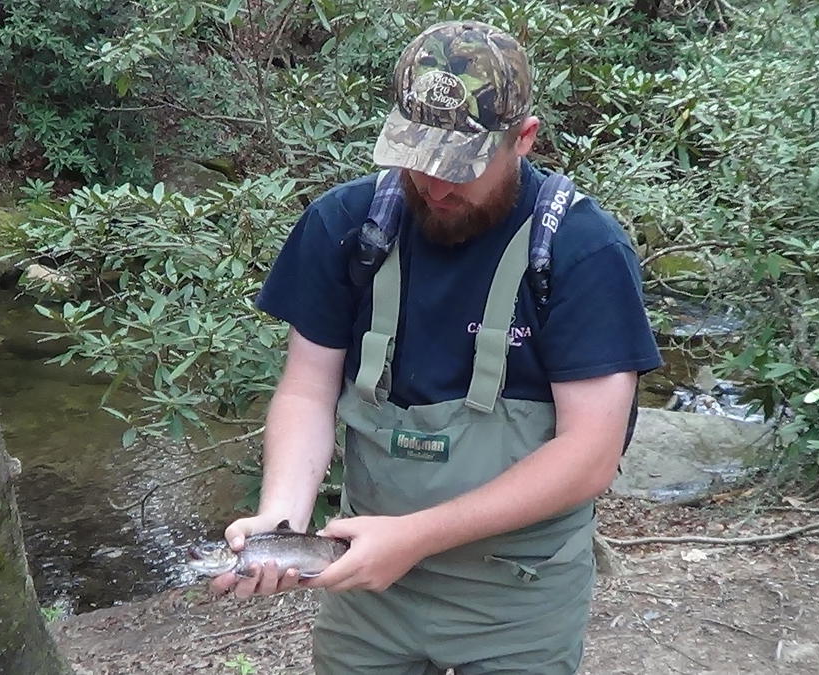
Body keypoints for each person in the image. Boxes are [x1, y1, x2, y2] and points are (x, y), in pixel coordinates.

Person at [209, 19, 663, 674]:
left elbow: (590, 455)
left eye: (461, 166)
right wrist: (282, 522)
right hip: (364, 581)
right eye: (417, 156)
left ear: (524, 140)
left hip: (518, 591)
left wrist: (414, 537)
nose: (435, 185)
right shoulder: (344, 226)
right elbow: (306, 390)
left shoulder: (582, 249)